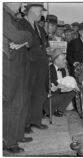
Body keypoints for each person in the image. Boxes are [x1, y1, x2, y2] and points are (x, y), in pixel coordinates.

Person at [3, 2, 33, 153]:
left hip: (18, 65)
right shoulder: (3, 13)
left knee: (20, 102)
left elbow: (29, 40)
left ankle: (17, 134)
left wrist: (25, 40)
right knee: (10, 103)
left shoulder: (12, 17)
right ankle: (8, 142)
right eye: (19, 2)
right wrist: (26, 37)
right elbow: (16, 35)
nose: (21, 5)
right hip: (8, 65)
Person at [19, 2, 49, 133]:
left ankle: (36, 120)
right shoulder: (20, 24)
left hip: (41, 64)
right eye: (40, 10)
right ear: (31, 10)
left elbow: (43, 45)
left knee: (40, 93)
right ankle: (25, 124)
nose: (41, 13)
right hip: (28, 64)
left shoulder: (40, 27)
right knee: (27, 93)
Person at [43, 48, 76, 117]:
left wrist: (68, 87)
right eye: (63, 59)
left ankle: (60, 111)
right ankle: (47, 110)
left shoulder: (63, 70)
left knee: (73, 91)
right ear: (56, 61)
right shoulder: (49, 70)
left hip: (58, 93)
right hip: (49, 95)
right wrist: (62, 90)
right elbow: (48, 87)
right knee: (63, 94)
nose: (66, 61)